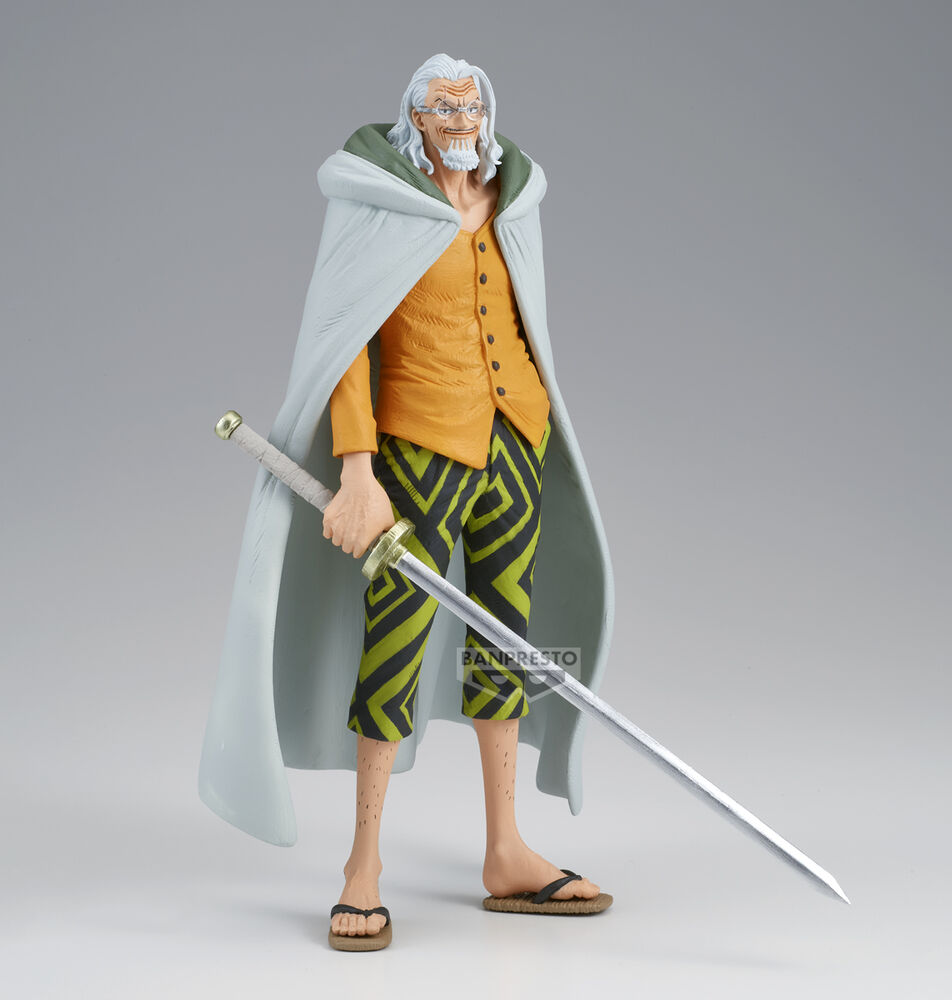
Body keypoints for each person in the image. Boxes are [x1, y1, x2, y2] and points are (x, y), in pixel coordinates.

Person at [198, 53, 615, 952]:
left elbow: (525, 320)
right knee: (395, 640)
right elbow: (346, 340)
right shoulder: (377, 200)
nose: (461, 122)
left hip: (515, 443)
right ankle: (364, 863)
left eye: (472, 107)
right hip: (419, 450)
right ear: (415, 119)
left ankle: (505, 849)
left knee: (507, 637)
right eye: (443, 109)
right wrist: (357, 470)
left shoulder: (513, 199)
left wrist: (537, 429)